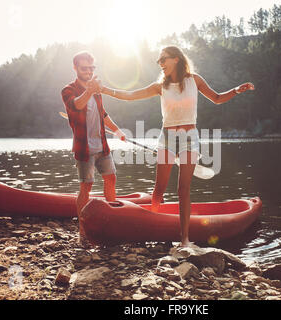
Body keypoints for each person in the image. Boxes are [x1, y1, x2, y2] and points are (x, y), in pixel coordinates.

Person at [100, 46, 254, 247]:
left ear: (176, 59)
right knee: (159, 189)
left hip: (190, 138)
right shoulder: (160, 86)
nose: (160, 64)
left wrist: (235, 91)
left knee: (184, 189)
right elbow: (130, 95)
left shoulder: (194, 80)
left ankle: (185, 239)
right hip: (167, 138)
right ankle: (151, 228)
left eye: (163, 59)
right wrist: (104, 90)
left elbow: (216, 98)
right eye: (159, 61)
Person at [61, 51, 126, 246]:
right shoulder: (68, 90)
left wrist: (117, 130)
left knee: (111, 178)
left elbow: (103, 114)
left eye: (91, 68)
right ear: (75, 68)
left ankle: (112, 222)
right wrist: (89, 90)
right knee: (86, 187)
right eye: (84, 68)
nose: (88, 71)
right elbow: (77, 105)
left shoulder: (95, 90)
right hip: (84, 148)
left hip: (102, 146)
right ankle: (83, 231)